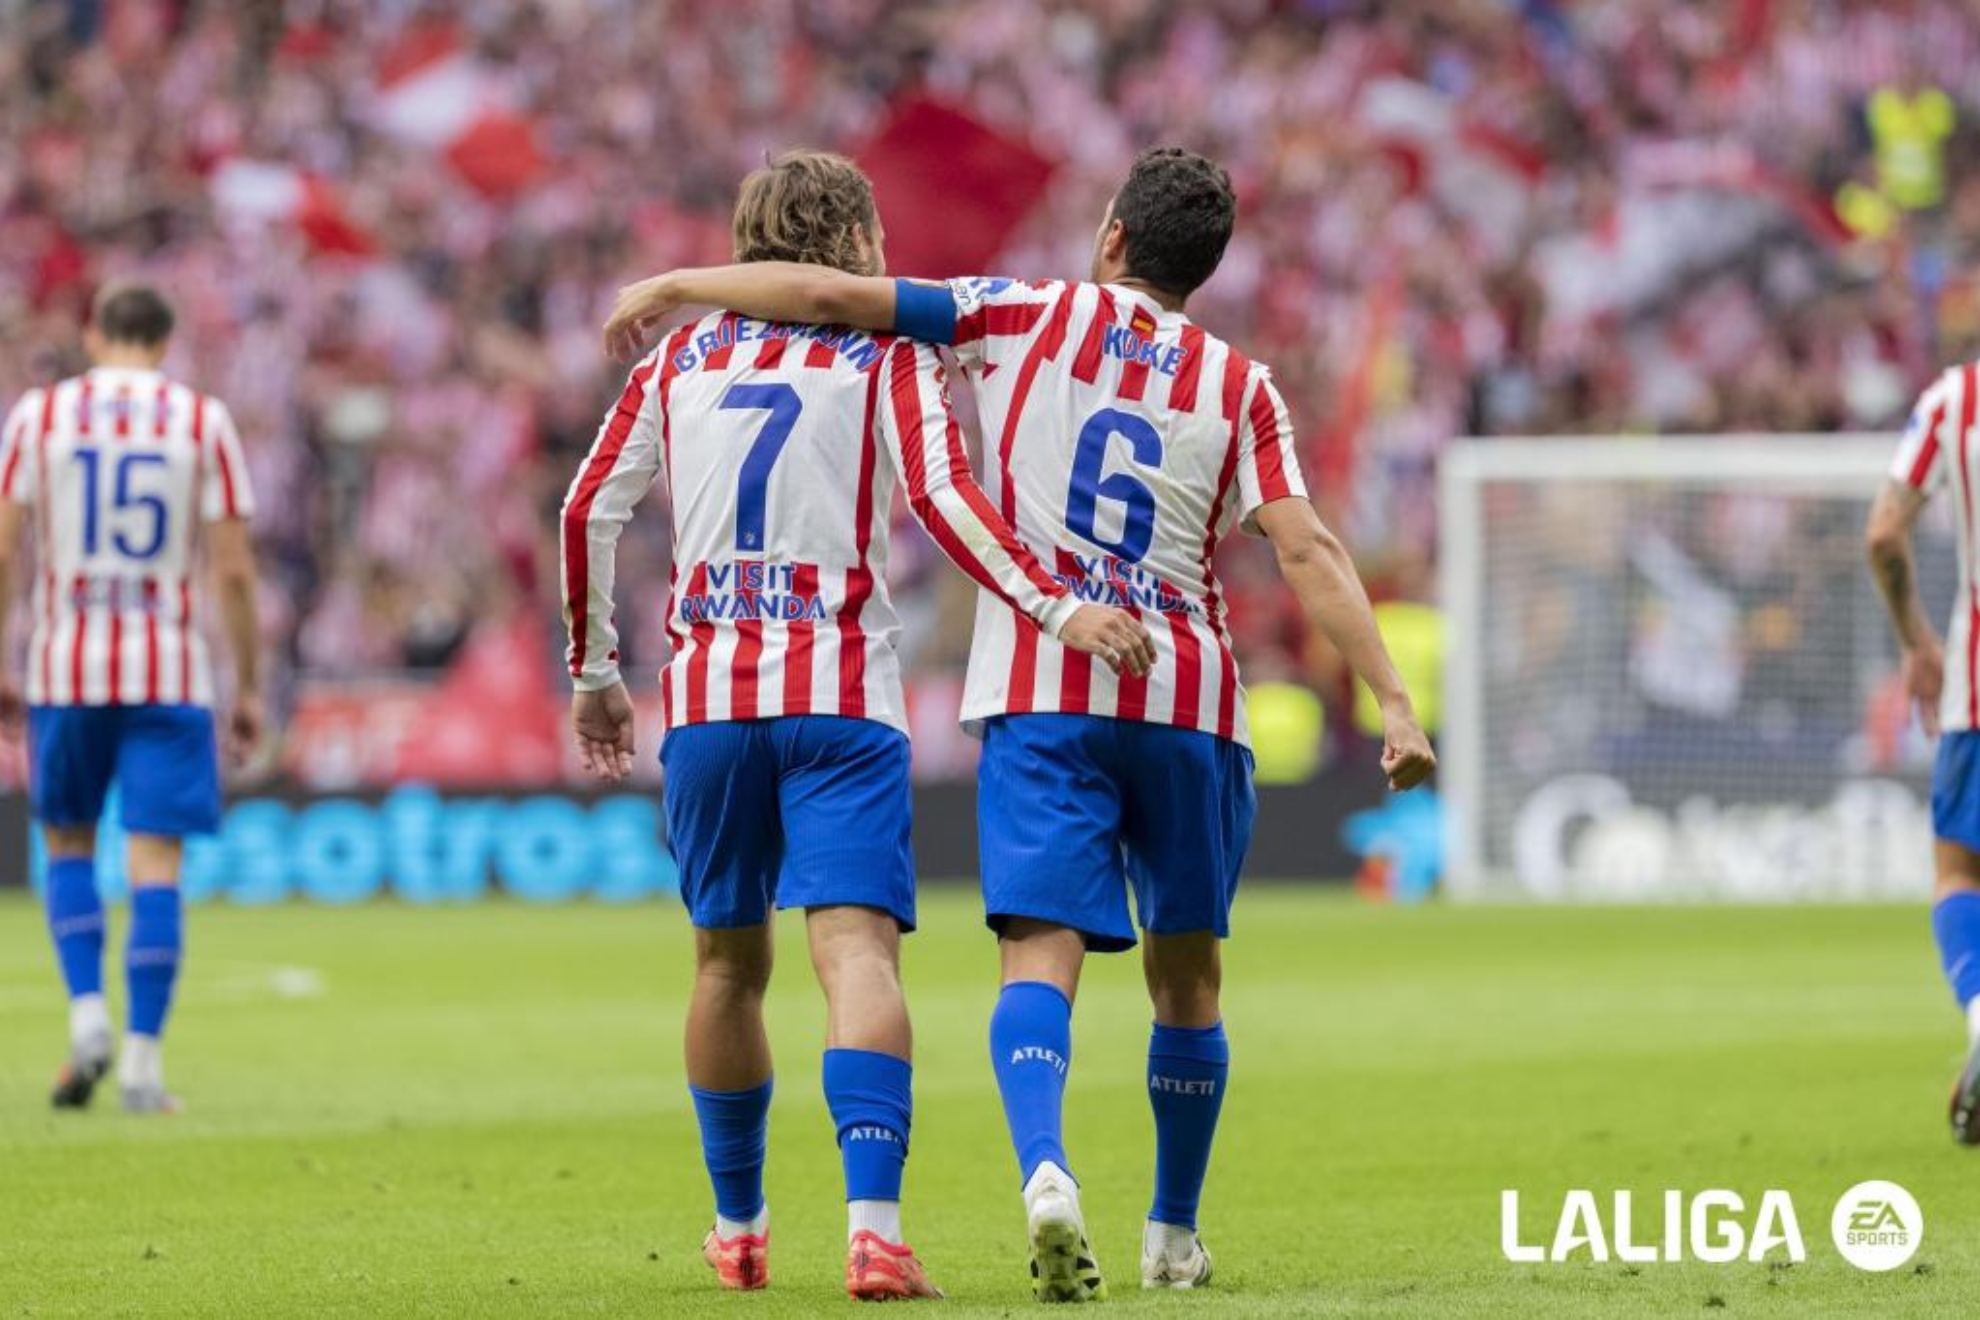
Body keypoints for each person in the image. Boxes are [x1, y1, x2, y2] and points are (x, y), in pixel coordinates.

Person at [603, 145, 1437, 1299]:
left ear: (1109, 238)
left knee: (1033, 960)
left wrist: (680, 284)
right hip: (1189, 699)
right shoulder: (1243, 385)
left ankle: (1046, 1168)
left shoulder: (1018, 314)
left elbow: (832, 300)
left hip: (1046, 685)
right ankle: (1173, 1234)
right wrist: (1392, 698)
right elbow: (1306, 546)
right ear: (1207, 266)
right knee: (1186, 981)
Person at [561, 150, 1152, 1301]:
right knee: (857, 957)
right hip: (840, 700)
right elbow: (948, 506)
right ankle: (874, 1232)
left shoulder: (679, 356)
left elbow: (590, 504)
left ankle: (738, 1227)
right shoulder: (888, 355)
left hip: (714, 702)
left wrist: (593, 671)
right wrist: (1060, 604)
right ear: (859, 246)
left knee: (727, 965)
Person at [0, 282, 262, 1114]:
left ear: (91, 331)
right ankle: (144, 1061)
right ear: (165, 339)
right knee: (156, 863)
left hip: (64, 664)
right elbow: (232, 570)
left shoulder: (37, 418)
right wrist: (248, 683)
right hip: (168, 669)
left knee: (68, 844)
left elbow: (5, 550)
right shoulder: (200, 420)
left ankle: (86, 1019)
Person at [1866, 358, 1980, 1144]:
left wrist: (1916, 642)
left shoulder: (1957, 398)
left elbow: (1883, 534)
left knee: (1959, 871)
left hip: (1976, 688)